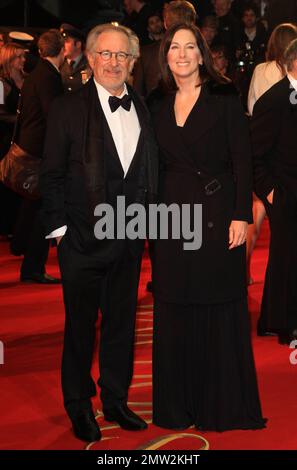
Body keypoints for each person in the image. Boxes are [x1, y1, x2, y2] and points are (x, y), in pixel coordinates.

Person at [40, 24, 158, 442]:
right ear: (89, 59)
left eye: (121, 55)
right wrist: (61, 237)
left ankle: (115, 399)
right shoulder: (66, 109)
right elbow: (51, 175)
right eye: (105, 54)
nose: (113, 62)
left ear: (132, 62)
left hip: (128, 243)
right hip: (81, 244)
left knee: (121, 326)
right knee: (79, 328)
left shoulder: (143, 107)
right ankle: (78, 404)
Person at [150, 23, 266, 431]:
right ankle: (176, 405)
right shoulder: (156, 102)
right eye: (173, 47)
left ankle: (220, 403)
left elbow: (243, 159)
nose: (181, 54)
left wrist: (241, 215)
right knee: (174, 303)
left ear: (202, 54)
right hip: (169, 220)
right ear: (165, 55)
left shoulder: (224, 97)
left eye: (189, 47)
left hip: (217, 215)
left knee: (216, 303)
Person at [250, 38, 297, 345]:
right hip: (285, 192)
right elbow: (253, 153)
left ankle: (273, 318)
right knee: (287, 257)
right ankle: (286, 323)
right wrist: (269, 192)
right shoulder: (275, 100)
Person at [10, 29, 65, 283]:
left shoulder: (37, 74)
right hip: (40, 152)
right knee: (42, 210)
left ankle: (30, 264)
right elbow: (54, 115)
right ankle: (33, 267)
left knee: (33, 208)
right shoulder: (48, 77)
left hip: (31, 148)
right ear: (62, 50)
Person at [60, 23, 92, 93]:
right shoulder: (59, 64)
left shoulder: (89, 64)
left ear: (78, 44)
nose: (62, 45)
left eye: (66, 42)